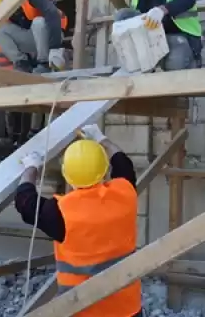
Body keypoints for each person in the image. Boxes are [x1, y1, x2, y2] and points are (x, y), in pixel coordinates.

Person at [16, 125, 141, 317]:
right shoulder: (124, 194)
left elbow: (25, 202)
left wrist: (31, 166)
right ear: (104, 170)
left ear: (67, 175)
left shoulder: (61, 212)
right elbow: (123, 163)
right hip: (125, 308)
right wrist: (101, 138)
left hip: (81, 311)